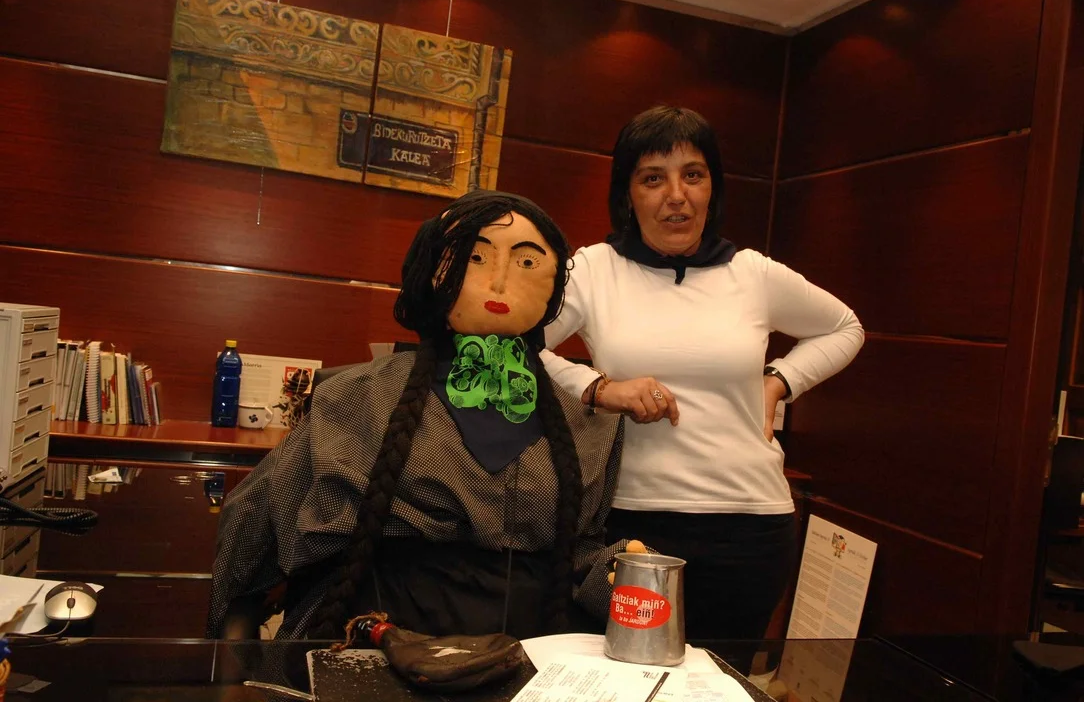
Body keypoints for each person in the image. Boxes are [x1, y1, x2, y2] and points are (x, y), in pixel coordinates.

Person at [207, 190, 638, 643]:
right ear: (431, 272)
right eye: (474, 257)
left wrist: (616, 572)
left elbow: (576, 550)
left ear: (553, 287)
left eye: (527, 262)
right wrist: (232, 644)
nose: (499, 281)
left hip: (535, 654)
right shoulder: (355, 398)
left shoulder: (589, 424)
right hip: (382, 642)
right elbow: (254, 525)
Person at [542, 106, 864, 646]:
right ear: (627, 194)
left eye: (693, 175)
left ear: (712, 187)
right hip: (629, 523)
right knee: (624, 677)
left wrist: (778, 381)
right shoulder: (594, 269)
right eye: (653, 179)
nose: (677, 195)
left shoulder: (752, 272)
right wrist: (597, 388)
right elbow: (518, 348)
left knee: (722, 678)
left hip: (750, 526)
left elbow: (844, 327)